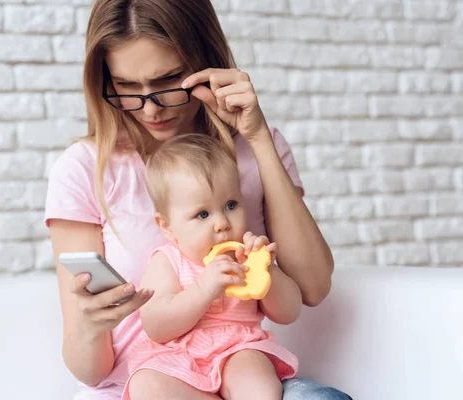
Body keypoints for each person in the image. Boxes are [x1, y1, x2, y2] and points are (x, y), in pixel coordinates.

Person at [45, 0, 350, 399]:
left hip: (241, 370)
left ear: (203, 60)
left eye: (169, 79)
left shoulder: (258, 147)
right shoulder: (85, 168)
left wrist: (257, 138)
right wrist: (89, 325)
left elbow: (312, 288)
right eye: (127, 86)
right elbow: (91, 371)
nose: (151, 107)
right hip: (148, 383)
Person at [122, 134, 301, 400]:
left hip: (239, 349)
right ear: (167, 227)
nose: (222, 223)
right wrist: (204, 289)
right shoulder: (168, 260)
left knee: (254, 378)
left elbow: (289, 312)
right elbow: (156, 326)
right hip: (178, 358)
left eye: (231, 205)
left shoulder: (246, 256)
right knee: (146, 384)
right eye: (203, 214)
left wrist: (267, 270)